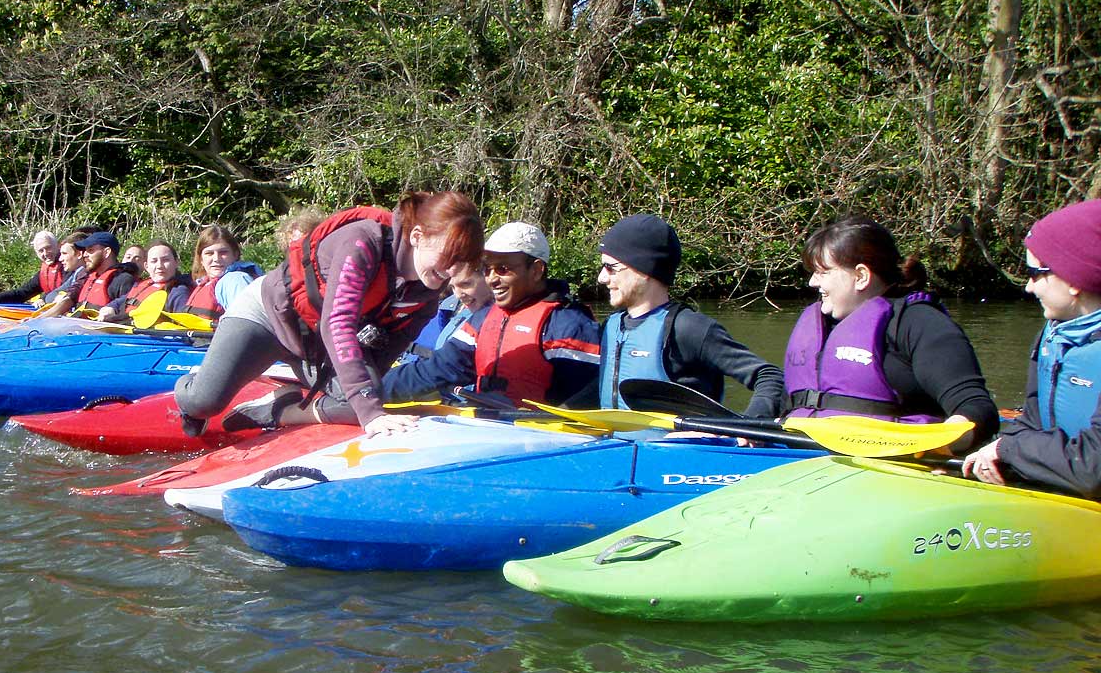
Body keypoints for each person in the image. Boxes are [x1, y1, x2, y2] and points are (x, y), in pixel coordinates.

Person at [175, 191, 485, 437]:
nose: (451, 271)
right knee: (205, 403)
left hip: (317, 344)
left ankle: (278, 407)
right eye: (448, 256)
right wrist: (371, 414)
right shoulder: (363, 242)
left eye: (461, 262)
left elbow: (387, 350)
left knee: (369, 399)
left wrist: (367, 402)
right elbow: (338, 322)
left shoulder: (427, 295)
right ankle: (192, 387)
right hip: (268, 318)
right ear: (417, 236)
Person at [783, 216, 999, 450]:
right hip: (800, 450)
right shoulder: (821, 327)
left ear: (861, 276)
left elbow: (976, 408)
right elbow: (790, 402)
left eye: (822, 272)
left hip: (888, 459)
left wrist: (943, 445)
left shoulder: (918, 323)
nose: (812, 283)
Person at [963, 200, 1101, 497]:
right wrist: (994, 460)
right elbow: (1032, 423)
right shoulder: (1052, 337)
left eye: (1035, 273)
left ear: (1074, 280)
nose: (1028, 287)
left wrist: (1008, 448)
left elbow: (1093, 468)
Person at [380, 221, 600, 408]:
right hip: (488, 429)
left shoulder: (570, 325)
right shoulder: (482, 319)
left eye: (503, 269)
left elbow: (585, 402)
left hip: (541, 442)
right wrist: (368, 391)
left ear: (536, 270)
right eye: (488, 269)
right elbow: (435, 371)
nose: (492, 279)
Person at [594, 214, 785, 415]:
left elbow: (770, 377)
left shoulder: (689, 329)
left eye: (611, 268)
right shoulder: (610, 327)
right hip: (615, 444)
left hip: (678, 446)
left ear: (644, 270)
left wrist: (749, 424)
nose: (602, 278)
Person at [43, 231, 138, 318]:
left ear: (106, 252)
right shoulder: (87, 276)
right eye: (85, 251)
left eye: (91, 250)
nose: (85, 255)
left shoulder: (123, 279)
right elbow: (69, 299)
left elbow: (126, 315)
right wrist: (39, 320)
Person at [97, 241, 192, 322]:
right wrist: (109, 308)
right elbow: (119, 302)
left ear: (176, 263)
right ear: (146, 266)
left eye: (165, 260)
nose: (159, 266)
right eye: (154, 261)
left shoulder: (178, 292)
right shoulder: (143, 285)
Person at [183, 225, 264, 320]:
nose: (216, 259)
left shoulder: (235, 280)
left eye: (223, 253)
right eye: (209, 253)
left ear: (235, 255)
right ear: (201, 259)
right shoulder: (203, 282)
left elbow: (247, 324)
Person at [0, 230, 63, 304]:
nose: (45, 253)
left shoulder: (67, 266)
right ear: (37, 253)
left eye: (48, 248)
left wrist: (44, 299)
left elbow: (67, 288)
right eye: (41, 251)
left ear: (57, 246)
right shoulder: (43, 273)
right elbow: (22, 293)